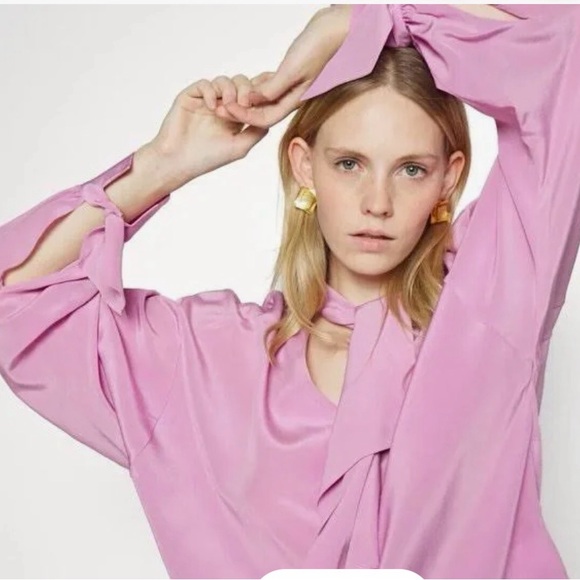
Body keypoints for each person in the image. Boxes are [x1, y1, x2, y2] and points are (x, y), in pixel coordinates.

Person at [0, 3, 578, 578]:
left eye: (411, 169)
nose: (377, 202)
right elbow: (15, 301)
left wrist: (361, 21)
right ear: (304, 166)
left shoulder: (493, 297)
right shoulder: (205, 360)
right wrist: (161, 166)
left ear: (447, 179)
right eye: (349, 163)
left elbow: (566, 55)